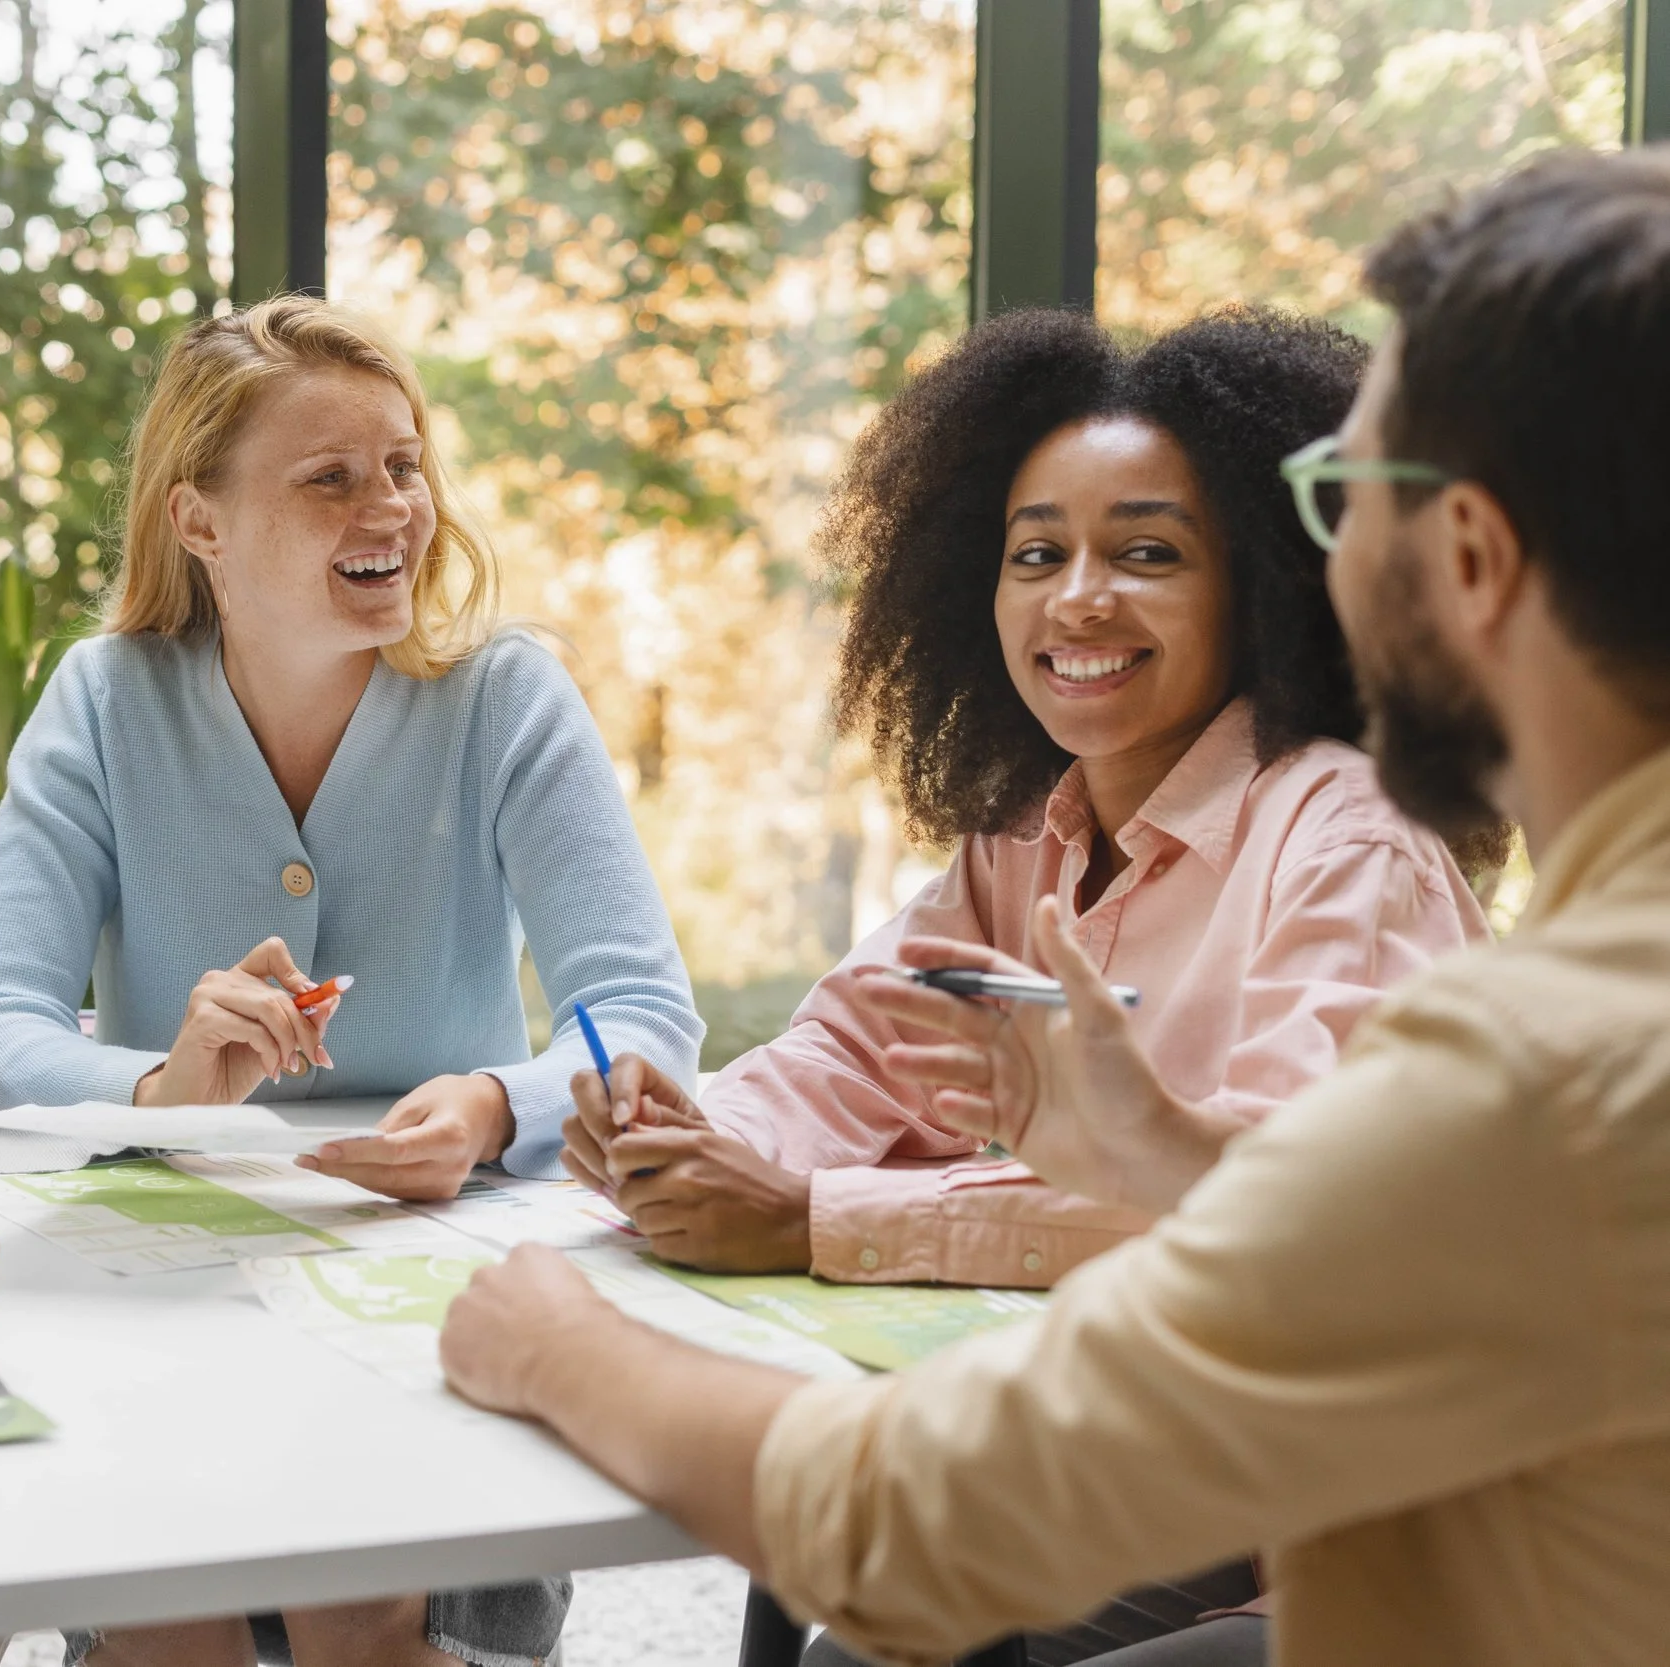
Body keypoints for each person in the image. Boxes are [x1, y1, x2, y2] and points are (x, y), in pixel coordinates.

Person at [438, 145, 1670, 1667]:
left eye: (1346, 500)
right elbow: (1373, 1235)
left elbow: (927, 1517)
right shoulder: (1579, 1020)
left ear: (1467, 556)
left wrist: (566, 1348)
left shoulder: (1525, 1054)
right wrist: (1175, 1153)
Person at [0, 296, 703, 1666]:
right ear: (200, 523)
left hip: (436, 1276)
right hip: (178, 1276)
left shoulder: (507, 695)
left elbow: (642, 1020)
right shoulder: (107, 697)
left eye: (405, 465)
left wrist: (488, 1102)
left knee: (389, 1619)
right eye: (331, 478)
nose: (393, 508)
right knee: (166, 1617)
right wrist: (160, 1087)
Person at [565, 308, 1490, 1300]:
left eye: (1146, 554)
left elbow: (1294, 1196)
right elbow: (860, 1048)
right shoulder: (1023, 833)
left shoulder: (1350, 836)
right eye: (1037, 556)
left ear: (1265, 591)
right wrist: (693, 1140)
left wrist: (812, 1219)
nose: (1077, 600)